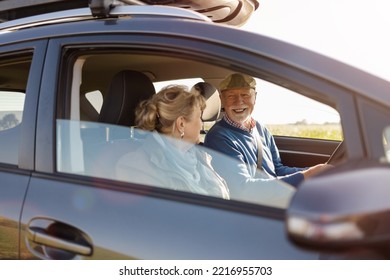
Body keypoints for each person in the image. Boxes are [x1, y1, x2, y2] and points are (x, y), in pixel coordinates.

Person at [203, 73, 330, 192]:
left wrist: (316, 171)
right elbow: (243, 189)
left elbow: (277, 170)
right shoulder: (218, 137)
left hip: (273, 196)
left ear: (255, 97)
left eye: (245, 95)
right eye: (231, 96)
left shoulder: (260, 129)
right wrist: (306, 175)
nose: (239, 101)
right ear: (222, 100)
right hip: (254, 208)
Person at [115, 85, 230, 199]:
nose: (201, 124)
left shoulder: (198, 158)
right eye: (199, 117)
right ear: (181, 124)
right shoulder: (136, 167)